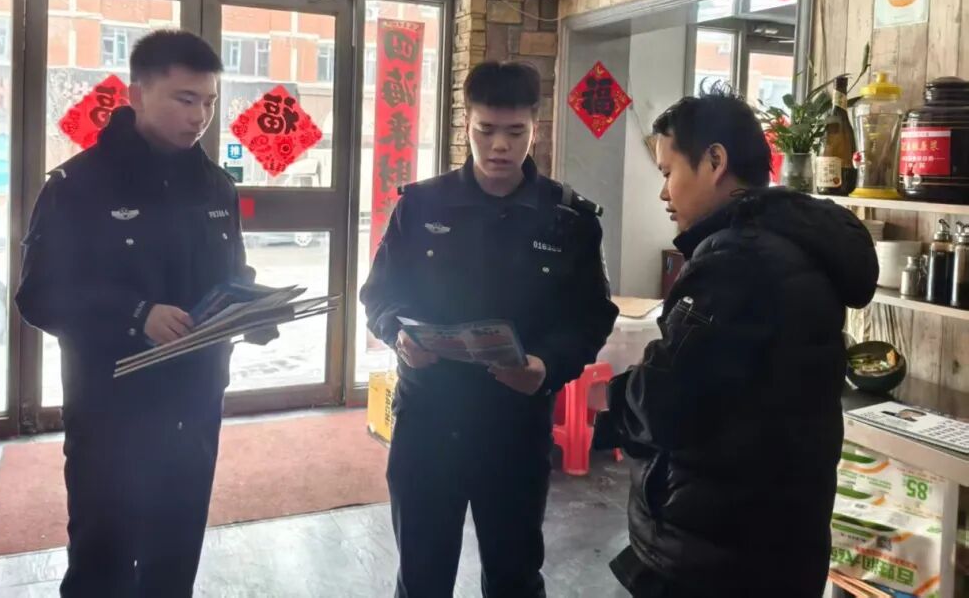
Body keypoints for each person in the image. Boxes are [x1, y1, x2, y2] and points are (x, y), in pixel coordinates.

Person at [16, 30, 270, 598]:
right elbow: (40, 295)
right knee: (102, 562)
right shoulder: (78, 185)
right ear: (137, 94)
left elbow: (232, 275)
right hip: (112, 412)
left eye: (209, 101)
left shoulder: (216, 186)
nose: (200, 116)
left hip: (195, 406)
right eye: (185, 99)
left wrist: (252, 312)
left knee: (174, 560)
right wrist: (137, 315)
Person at [597, 87, 878, 598]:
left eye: (667, 172)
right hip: (778, 543)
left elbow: (667, 403)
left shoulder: (736, 262)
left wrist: (614, 397)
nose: (663, 194)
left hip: (714, 555)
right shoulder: (792, 246)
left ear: (715, 161)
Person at [361, 60, 619, 598]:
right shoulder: (422, 205)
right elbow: (380, 293)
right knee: (422, 573)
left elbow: (592, 316)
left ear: (535, 129)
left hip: (515, 424)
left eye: (515, 132)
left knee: (514, 574)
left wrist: (548, 365)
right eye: (486, 130)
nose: (500, 146)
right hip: (429, 418)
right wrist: (397, 334)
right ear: (466, 124)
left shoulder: (568, 218)